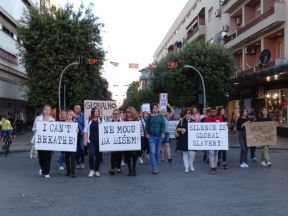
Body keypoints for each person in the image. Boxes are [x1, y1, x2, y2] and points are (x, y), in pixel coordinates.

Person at [32, 105, 55, 178]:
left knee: (48, 156)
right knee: (41, 157)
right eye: (46, 109)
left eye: (49, 110)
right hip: (40, 141)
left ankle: (47, 172)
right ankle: (42, 168)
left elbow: (55, 130)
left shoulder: (52, 120)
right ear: (43, 110)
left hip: (49, 141)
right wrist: (36, 130)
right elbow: (33, 128)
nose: (47, 111)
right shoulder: (38, 118)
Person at [145, 104, 165, 174]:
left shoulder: (161, 116)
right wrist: (146, 134)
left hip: (159, 137)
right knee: (152, 152)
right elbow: (146, 126)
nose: (155, 109)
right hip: (151, 137)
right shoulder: (149, 117)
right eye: (154, 108)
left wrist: (162, 132)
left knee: (157, 153)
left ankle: (155, 165)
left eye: (156, 108)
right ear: (152, 109)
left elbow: (163, 125)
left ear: (158, 109)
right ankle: (154, 168)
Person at [176, 108, 196, 172]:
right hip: (184, 139)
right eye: (186, 113)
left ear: (191, 114)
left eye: (189, 113)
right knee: (185, 153)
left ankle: (191, 165)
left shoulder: (193, 121)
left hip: (192, 140)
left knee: (192, 153)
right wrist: (181, 129)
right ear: (184, 114)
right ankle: (186, 167)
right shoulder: (181, 121)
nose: (188, 115)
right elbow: (177, 129)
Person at [84, 107, 102, 178]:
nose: (97, 112)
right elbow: (85, 131)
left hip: (99, 141)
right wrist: (85, 140)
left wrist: (101, 124)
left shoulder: (101, 120)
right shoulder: (88, 121)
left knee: (98, 156)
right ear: (93, 112)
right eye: (95, 111)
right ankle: (92, 170)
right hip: (91, 141)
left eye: (98, 111)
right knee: (91, 154)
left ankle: (96, 170)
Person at [204, 107, 223, 174]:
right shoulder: (207, 119)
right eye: (212, 112)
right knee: (211, 152)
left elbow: (223, 128)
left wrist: (220, 123)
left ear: (216, 112)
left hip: (217, 139)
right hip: (210, 139)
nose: (213, 113)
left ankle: (215, 166)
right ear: (210, 112)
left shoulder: (219, 119)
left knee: (216, 153)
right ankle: (212, 167)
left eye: (214, 112)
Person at [123, 107, 140, 176]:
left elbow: (139, 130)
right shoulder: (124, 120)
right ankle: (130, 170)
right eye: (127, 112)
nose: (128, 113)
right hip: (126, 142)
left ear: (132, 112)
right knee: (127, 156)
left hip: (134, 142)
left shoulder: (136, 120)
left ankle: (134, 169)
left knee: (134, 156)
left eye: (129, 112)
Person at [64, 110, 79, 177]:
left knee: (73, 157)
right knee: (66, 157)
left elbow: (78, 135)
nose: (69, 116)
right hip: (66, 143)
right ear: (66, 116)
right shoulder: (63, 124)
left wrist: (77, 131)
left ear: (73, 116)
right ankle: (68, 171)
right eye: (68, 114)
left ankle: (73, 172)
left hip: (73, 143)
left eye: (71, 115)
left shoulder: (75, 124)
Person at [109, 109, 123, 175]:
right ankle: (112, 167)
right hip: (112, 141)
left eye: (116, 114)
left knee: (119, 154)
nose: (115, 115)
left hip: (120, 140)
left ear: (119, 114)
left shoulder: (122, 122)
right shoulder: (109, 121)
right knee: (113, 154)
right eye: (114, 114)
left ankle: (118, 167)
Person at [74, 105, 85, 169]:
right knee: (77, 150)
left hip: (81, 134)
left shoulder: (82, 116)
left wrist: (76, 118)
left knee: (82, 149)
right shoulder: (72, 116)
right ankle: (78, 162)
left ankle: (82, 161)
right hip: (74, 135)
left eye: (79, 108)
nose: (78, 109)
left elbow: (82, 123)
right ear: (74, 109)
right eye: (77, 108)